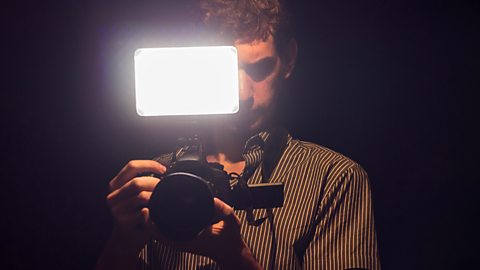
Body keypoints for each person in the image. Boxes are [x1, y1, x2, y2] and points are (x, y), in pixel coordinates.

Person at [96, 0, 380, 269]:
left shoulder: (333, 178)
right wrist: (122, 242)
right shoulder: (156, 180)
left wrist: (236, 257)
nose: (243, 94)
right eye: (227, 71)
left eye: (260, 69)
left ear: (289, 60)